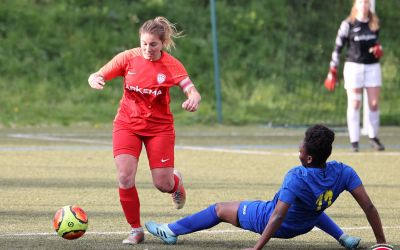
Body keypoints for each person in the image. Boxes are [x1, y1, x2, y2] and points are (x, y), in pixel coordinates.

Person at [145, 125, 391, 249]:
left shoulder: (296, 176)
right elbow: (368, 206)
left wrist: (257, 247)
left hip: (271, 221)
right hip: (305, 220)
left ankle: (171, 230)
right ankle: (344, 237)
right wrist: (381, 243)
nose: (299, 147)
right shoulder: (343, 172)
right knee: (311, 205)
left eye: (301, 146)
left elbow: (278, 215)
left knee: (219, 209)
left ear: (307, 158)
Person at [87, 16, 201, 245]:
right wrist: (94, 79)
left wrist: (193, 99)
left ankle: (175, 183)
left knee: (162, 184)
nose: (147, 49)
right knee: (125, 176)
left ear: (163, 42)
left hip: (159, 128)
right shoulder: (128, 58)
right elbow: (98, 74)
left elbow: (192, 90)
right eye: (144, 44)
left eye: (153, 45)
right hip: (127, 124)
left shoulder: (172, 65)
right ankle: (135, 229)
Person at [324, 0, 385, 152]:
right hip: (353, 67)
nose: (364, 6)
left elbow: (376, 44)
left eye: (367, 3)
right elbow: (338, 47)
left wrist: (378, 49)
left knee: (374, 103)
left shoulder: (374, 24)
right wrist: (333, 68)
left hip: (372, 67)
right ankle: (354, 141)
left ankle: (373, 137)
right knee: (355, 103)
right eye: (361, 3)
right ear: (355, 5)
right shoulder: (348, 24)